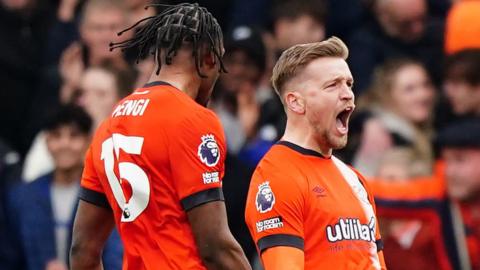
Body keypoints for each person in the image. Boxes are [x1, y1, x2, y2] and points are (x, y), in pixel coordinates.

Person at [70, 3, 251, 270]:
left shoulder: (110, 124)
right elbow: (215, 247)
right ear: (210, 58)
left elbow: (82, 249)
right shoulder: (193, 119)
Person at [244, 37, 386, 269]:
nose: (348, 94)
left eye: (349, 84)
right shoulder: (277, 176)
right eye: (333, 85)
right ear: (296, 103)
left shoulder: (355, 180)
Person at [6, 105, 123, 270]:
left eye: (74, 136)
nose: (64, 144)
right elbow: (9, 257)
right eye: (56, 135)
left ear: (88, 141)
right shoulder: (22, 196)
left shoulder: (105, 194)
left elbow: (114, 257)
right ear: (46, 141)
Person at [369, 118, 480, 270]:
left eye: (460, 160)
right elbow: (384, 195)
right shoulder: (442, 196)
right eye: (446, 161)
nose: (450, 171)